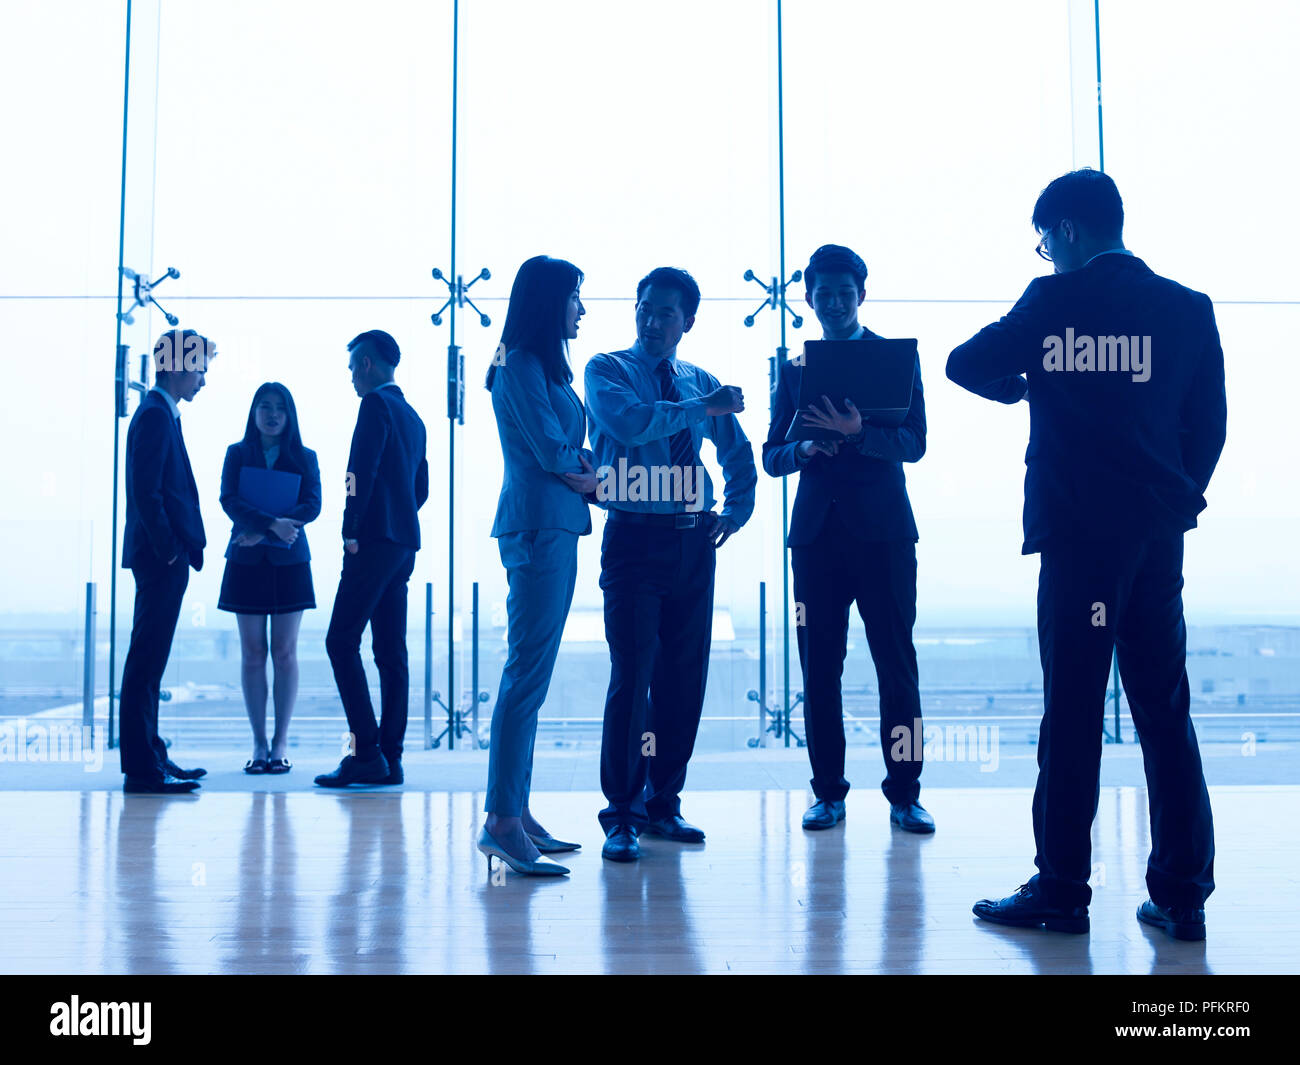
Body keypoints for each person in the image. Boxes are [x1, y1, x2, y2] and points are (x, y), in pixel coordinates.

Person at [947, 169, 1226, 940]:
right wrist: (1173, 498)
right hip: (1155, 537)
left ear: (1067, 230)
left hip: (1079, 536)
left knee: (1072, 711)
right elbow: (1209, 427)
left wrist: (1029, 379)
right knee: (1165, 712)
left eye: (1043, 240)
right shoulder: (1185, 308)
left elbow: (963, 363)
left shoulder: (1052, 303)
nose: (1043, 254)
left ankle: (1064, 887)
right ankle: (1183, 894)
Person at [585, 266, 757, 862]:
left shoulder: (698, 380)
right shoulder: (608, 370)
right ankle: (622, 814)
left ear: (687, 321)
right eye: (644, 307)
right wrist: (699, 408)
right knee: (633, 680)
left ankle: (664, 804)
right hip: (633, 538)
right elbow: (630, 423)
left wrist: (735, 511)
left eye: (665, 312)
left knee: (684, 681)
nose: (651, 320)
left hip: (692, 542)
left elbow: (736, 451)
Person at [762, 244, 933, 834]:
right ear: (808, 299)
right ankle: (827, 793)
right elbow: (771, 456)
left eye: (844, 291)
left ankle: (906, 793)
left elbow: (914, 443)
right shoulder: (795, 372)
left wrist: (861, 435)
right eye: (822, 293)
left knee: (897, 665)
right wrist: (804, 448)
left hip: (884, 536)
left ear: (862, 294)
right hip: (816, 539)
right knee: (819, 670)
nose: (833, 301)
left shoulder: (896, 361)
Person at [478, 255, 596, 879]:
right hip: (538, 528)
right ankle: (501, 821)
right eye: (576, 297)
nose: (582, 309)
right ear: (549, 303)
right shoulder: (519, 364)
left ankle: (515, 811)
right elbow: (554, 449)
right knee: (525, 676)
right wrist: (595, 473)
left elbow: (563, 447)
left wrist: (584, 469)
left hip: (553, 526)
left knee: (531, 677)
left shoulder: (537, 366)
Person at [316, 330, 429, 788]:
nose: (350, 378)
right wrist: (399, 517)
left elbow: (356, 473)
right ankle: (391, 757)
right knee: (390, 651)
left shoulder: (375, 406)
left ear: (366, 364)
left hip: (373, 540)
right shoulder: (414, 416)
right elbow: (420, 487)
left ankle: (365, 753)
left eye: (351, 368)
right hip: (403, 544)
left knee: (340, 641)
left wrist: (352, 527)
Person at [118, 328, 215, 793]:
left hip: (161, 556)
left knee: (150, 660)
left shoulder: (161, 412)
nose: (202, 379)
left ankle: (150, 754)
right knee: (146, 661)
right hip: (160, 557)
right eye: (199, 368)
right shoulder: (156, 415)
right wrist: (171, 549)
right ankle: (142, 768)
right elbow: (147, 491)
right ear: (177, 366)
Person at [218, 382, 321, 775]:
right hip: (245, 560)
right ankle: (258, 744)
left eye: (280, 407)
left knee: (284, 652)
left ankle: (279, 745)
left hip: (289, 561)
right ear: (254, 412)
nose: (273, 414)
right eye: (265, 406)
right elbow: (229, 499)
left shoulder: (304, 456)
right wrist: (269, 526)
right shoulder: (237, 453)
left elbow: (313, 503)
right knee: (252, 653)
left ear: (290, 414)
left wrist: (269, 530)